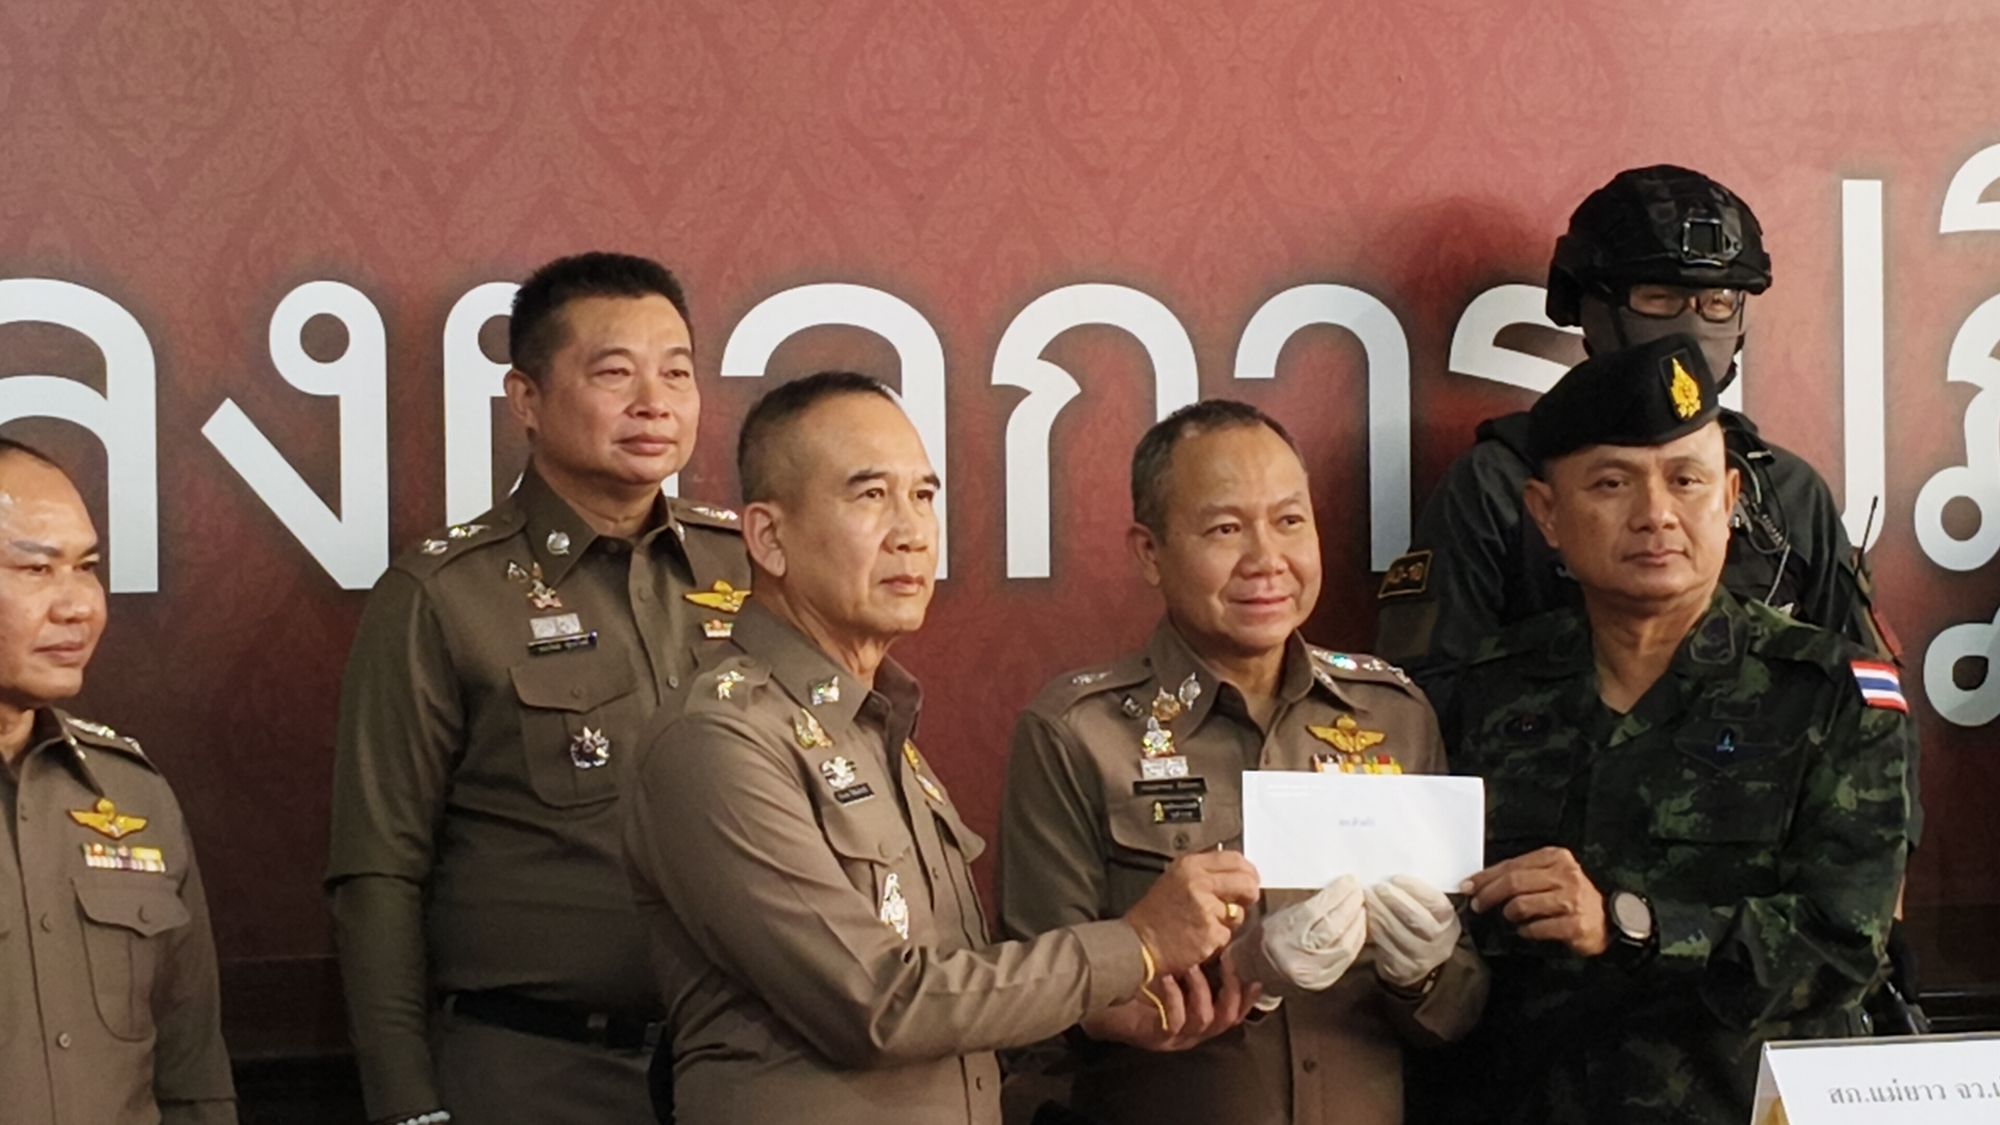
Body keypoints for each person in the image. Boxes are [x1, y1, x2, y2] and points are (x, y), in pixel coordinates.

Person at [623, 372, 1260, 1125]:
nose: (913, 531)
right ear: (768, 537)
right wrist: (1138, 943)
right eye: (870, 495)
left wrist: (1097, 1007)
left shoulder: (874, 724)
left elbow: (955, 990)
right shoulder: (718, 740)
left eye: (923, 495)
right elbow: (879, 1004)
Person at [1444, 335, 1916, 1124]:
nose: (1656, 514)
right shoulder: (1488, 689)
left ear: (1730, 498)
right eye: (1612, 482)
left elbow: (1843, 944)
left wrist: (1630, 926)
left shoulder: (1832, 695)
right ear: (1547, 513)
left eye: (1686, 479)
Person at [326, 253, 750, 1125]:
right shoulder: (443, 595)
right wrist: (407, 1105)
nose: (655, 402)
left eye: (677, 372)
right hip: (537, 1072)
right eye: (615, 373)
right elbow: (379, 872)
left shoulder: (750, 568)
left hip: (744, 1065)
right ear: (525, 398)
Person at [999, 400, 1485, 1125]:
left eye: (1290, 521)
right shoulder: (1078, 732)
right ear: (1149, 552)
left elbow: (1463, 1007)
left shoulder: (1395, 714)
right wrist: (1243, 972)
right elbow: (1036, 1009)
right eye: (1225, 529)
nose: (1266, 559)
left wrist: (1423, 975)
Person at [1376, 164, 1893, 723]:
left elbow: (1863, 696)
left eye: (1718, 300)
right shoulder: (1502, 482)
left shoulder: (1784, 489)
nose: (1692, 321)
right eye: (1659, 296)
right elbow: (1424, 703)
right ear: (1591, 306)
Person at [0, 437, 236, 1124]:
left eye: (87, 568)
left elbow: (193, 1077)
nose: (78, 606)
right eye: (36, 569)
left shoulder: (132, 795)